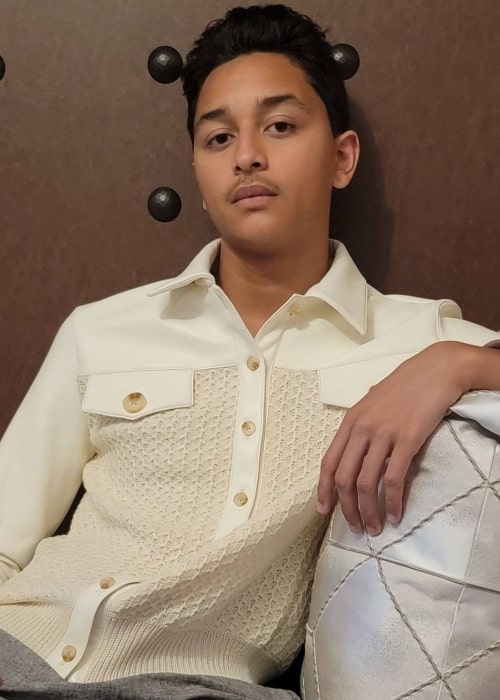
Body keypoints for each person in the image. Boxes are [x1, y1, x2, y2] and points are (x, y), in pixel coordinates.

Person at [0, 4, 499, 699]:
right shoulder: (100, 330)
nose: (246, 156)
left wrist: (461, 364)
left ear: (342, 158)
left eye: (280, 126)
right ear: (199, 175)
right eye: (218, 137)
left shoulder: (414, 337)